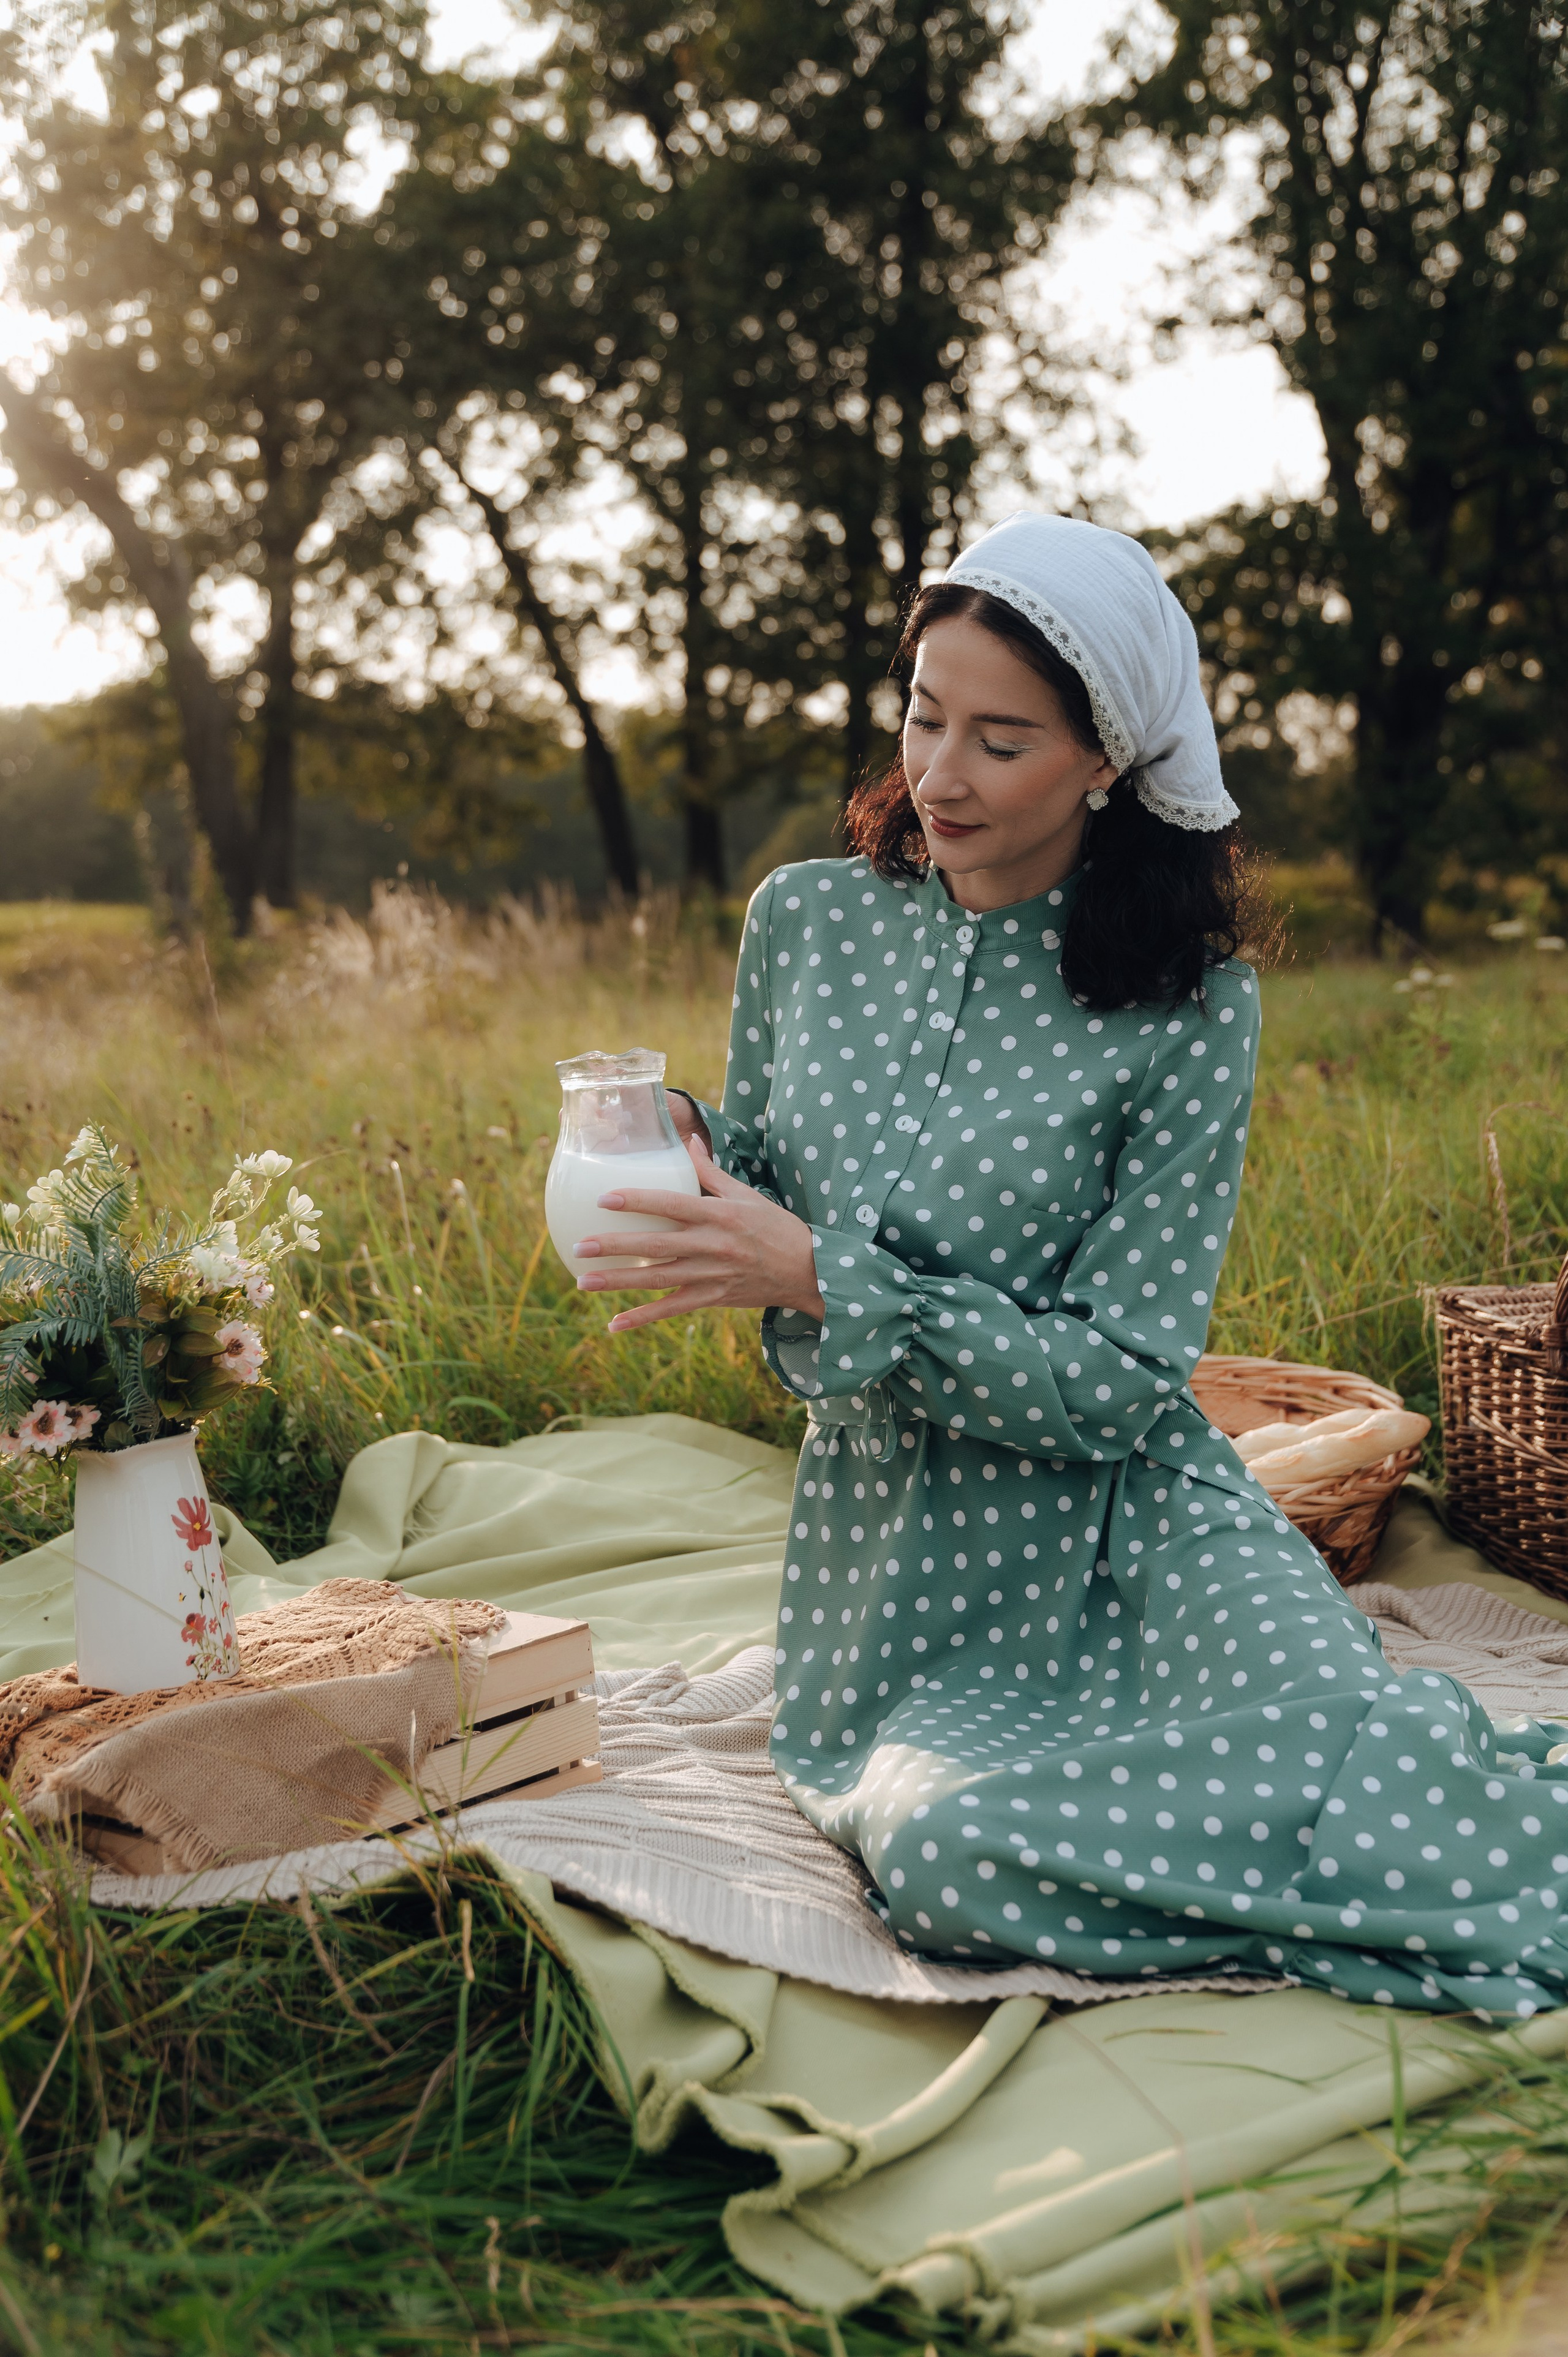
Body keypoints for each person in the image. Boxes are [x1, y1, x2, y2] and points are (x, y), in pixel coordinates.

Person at [571, 510, 1568, 2018]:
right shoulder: (806, 924)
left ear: (1103, 760)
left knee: (1366, 1750)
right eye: (921, 714)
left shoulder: (1191, 1006)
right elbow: (772, 1187)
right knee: (949, 1848)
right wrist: (679, 1153)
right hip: (907, 1581)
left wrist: (830, 1277)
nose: (940, 774)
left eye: (1001, 739)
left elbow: (1115, 1381)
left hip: (1146, 1534)